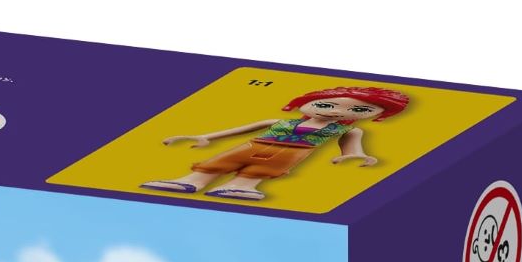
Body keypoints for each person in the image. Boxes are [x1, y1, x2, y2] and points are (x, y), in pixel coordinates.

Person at [142, 85, 411, 202]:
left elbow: (352, 145)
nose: (337, 111)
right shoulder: (278, 121)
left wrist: (353, 156)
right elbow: (243, 129)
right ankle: (192, 181)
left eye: (361, 110)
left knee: (260, 171)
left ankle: (242, 186)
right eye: (326, 105)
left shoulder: (345, 129)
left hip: (293, 153)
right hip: (253, 145)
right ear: (305, 103)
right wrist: (206, 137)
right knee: (220, 162)